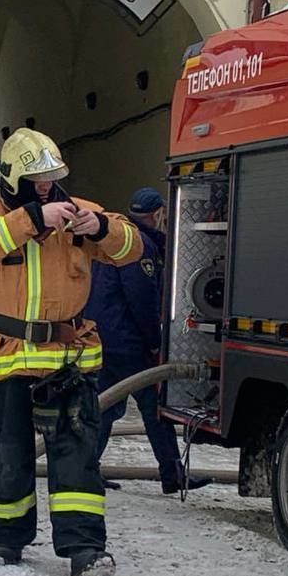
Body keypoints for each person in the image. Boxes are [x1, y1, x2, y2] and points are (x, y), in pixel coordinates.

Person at [0, 128, 143, 576]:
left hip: (66, 359)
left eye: (51, 178)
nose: (46, 186)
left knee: (77, 454)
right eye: (35, 179)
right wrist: (32, 217)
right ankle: (8, 538)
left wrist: (99, 226)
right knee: (9, 454)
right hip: (5, 355)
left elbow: (132, 247)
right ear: (12, 178)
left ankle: (85, 549)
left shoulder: (78, 209)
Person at [87, 187, 209, 496]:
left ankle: (86, 470)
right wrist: (155, 342)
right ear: (158, 214)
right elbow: (142, 301)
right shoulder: (141, 246)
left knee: (104, 405)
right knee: (154, 407)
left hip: (103, 336)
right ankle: (172, 474)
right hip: (129, 341)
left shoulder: (116, 237)